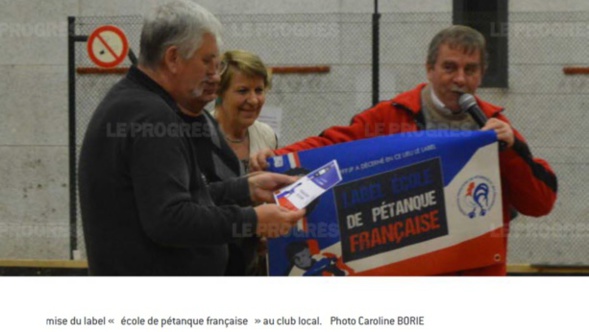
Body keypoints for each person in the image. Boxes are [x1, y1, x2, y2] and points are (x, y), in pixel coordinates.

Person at [251, 25, 558, 276]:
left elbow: (540, 203)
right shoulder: (391, 116)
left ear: (482, 73)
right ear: (429, 68)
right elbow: (334, 145)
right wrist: (279, 159)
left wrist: (511, 150)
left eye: (470, 69)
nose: (460, 79)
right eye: (450, 68)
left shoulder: (494, 127)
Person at [78, 0, 305, 276]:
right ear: (173, 58)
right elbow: (170, 219)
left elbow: (171, 199)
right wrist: (253, 219)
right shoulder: (151, 116)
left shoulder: (133, 104)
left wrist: (244, 189)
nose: (214, 74)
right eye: (207, 61)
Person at [211, 50, 278, 174]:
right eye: (242, 91)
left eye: (259, 90)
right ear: (219, 92)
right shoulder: (197, 135)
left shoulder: (267, 136)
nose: (253, 100)